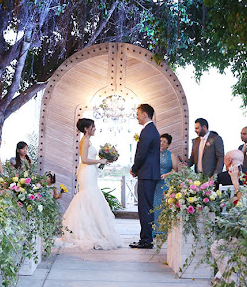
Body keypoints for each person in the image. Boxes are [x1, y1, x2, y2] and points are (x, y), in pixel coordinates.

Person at [61, 118, 122, 250]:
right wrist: (100, 161)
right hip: (87, 172)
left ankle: (93, 228)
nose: (94, 129)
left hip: (90, 172)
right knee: (88, 196)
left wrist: (101, 160)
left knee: (91, 197)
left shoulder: (88, 140)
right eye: (92, 127)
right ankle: (86, 231)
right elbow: (84, 159)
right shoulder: (85, 140)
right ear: (86, 129)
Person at [129, 104, 161, 249]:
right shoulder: (151, 130)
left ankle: (146, 240)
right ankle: (146, 238)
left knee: (145, 208)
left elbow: (141, 154)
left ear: (144, 114)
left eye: (138, 113)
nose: (136, 116)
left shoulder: (148, 131)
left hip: (147, 174)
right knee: (146, 207)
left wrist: (134, 168)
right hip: (149, 174)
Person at [152, 133, 179, 235]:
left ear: (168, 144)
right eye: (160, 141)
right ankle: (153, 229)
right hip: (154, 183)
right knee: (153, 206)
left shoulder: (171, 155)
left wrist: (166, 175)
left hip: (164, 184)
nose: (161, 143)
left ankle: (163, 230)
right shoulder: (154, 153)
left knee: (162, 206)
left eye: (164, 142)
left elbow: (175, 171)